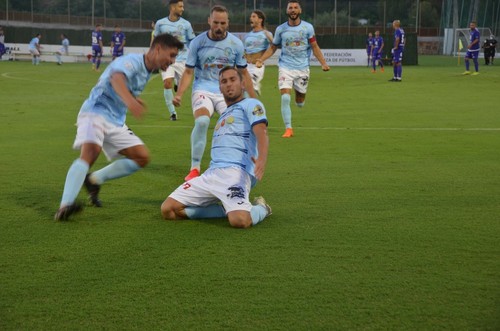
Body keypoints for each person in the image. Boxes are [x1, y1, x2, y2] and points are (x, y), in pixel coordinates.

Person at [54, 34, 184, 221]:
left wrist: (133, 98)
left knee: (142, 157)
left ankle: (93, 180)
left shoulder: (148, 70)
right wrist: (131, 101)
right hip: (95, 112)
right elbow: (116, 78)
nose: (172, 61)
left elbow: (124, 85)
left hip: (115, 120)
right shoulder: (132, 60)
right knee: (90, 152)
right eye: (171, 55)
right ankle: (65, 206)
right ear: (157, 49)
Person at [161, 67, 271, 229]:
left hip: (236, 173)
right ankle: (223, 209)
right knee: (168, 210)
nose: (228, 84)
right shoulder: (224, 115)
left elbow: (261, 131)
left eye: (233, 80)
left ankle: (262, 208)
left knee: (240, 221)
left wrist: (262, 158)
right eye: (224, 81)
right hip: (211, 175)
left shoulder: (251, 104)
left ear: (242, 83)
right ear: (220, 88)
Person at [173, 5, 257, 181]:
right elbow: (188, 72)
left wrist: (253, 99)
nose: (219, 27)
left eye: (223, 23)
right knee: (203, 121)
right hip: (202, 88)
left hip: (226, 92)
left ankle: (236, 166)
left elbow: (243, 73)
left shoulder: (236, 44)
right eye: (216, 22)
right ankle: (195, 167)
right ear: (209, 21)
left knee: (235, 126)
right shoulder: (197, 43)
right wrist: (179, 94)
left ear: (228, 23)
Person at [255, 0, 330, 138]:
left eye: (296, 8)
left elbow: (314, 46)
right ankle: (289, 129)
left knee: (300, 102)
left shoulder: (308, 28)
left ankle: (299, 93)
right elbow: (273, 47)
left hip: (302, 68)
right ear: (287, 11)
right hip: (285, 67)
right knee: (284, 97)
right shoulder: (281, 29)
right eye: (291, 8)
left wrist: (323, 63)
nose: (293, 10)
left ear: (300, 11)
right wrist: (261, 59)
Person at [154, 0, 196, 121]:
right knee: (167, 83)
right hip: (167, 60)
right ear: (172, 7)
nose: (182, 9)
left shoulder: (186, 24)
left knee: (185, 84)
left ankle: (178, 83)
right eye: (180, 6)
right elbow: (156, 40)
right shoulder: (160, 23)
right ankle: (173, 113)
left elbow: (192, 42)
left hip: (183, 59)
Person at [243, 10, 273, 96]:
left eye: (253, 16)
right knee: (242, 89)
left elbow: (273, 46)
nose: (250, 18)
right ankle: (255, 87)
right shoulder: (247, 36)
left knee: (246, 88)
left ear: (260, 20)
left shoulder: (266, 34)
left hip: (257, 66)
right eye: (250, 17)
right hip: (246, 65)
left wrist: (271, 39)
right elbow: (244, 51)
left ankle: (255, 86)